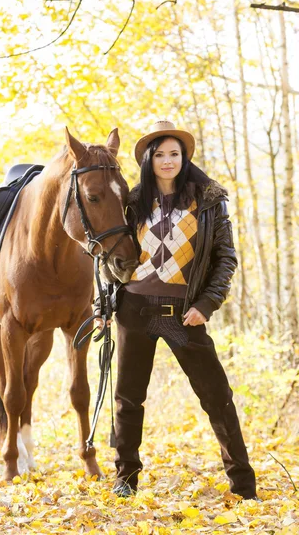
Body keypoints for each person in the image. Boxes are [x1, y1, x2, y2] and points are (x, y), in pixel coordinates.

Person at [110, 120, 256, 499]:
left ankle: (243, 484)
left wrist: (207, 304)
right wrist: (105, 302)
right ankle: (125, 480)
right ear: (148, 159)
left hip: (182, 316)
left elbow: (226, 258)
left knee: (216, 396)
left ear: (184, 156)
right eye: (159, 154)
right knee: (128, 398)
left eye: (174, 153)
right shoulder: (132, 202)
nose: (167, 160)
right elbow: (110, 256)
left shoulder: (207, 200)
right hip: (136, 310)